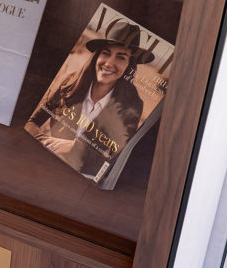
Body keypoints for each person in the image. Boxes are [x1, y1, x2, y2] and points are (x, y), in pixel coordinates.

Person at [26, 22, 153, 178]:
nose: (109, 63)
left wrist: (73, 147)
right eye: (106, 53)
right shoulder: (70, 83)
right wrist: (45, 142)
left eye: (121, 57)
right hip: (43, 163)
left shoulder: (132, 105)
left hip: (82, 178)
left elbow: (114, 159)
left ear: (129, 65)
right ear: (97, 56)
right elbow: (32, 121)